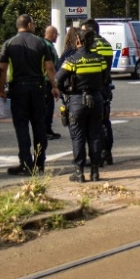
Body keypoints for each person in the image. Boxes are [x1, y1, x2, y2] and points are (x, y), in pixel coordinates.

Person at [0, 14, 59, 176]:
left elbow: (2, 68)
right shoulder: (40, 42)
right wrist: (54, 86)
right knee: (39, 125)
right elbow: (49, 67)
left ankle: (25, 163)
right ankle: (39, 163)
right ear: (29, 25)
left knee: (21, 126)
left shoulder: (9, 43)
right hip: (38, 88)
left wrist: (1, 89)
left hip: (18, 89)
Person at [54, 27, 107, 182]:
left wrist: (66, 92)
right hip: (96, 100)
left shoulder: (72, 60)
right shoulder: (99, 59)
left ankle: (79, 172)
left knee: (78, 137)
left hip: (77, 101)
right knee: (95, 136)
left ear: (78, 41)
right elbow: (105, 79)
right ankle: (95, 172)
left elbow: (57, 80)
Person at [81, 18, 115, 165]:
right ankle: (107, 153)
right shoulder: (106, 43)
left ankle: (98, 156)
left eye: (82, 30)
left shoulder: (91, 45)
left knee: (94, 124)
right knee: (105, 120)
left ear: (89, 30)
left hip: (94, 87)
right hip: (105, 85)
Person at [57, 27, 79, 130]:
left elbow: (59, 74)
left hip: (69, 91)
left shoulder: (66, 53)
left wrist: (62, 92)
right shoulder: (81, 52)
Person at [43, 25, 62, 141]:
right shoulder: (46, 46)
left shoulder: (48, 45)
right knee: (46, 107)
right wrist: (54, 84)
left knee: (49, 107)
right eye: (57, 35)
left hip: (48, 80)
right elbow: (50, 66)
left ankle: (48, 129)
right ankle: (45, 131)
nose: (57, 37)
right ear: (53, 34)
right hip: (46, 80)